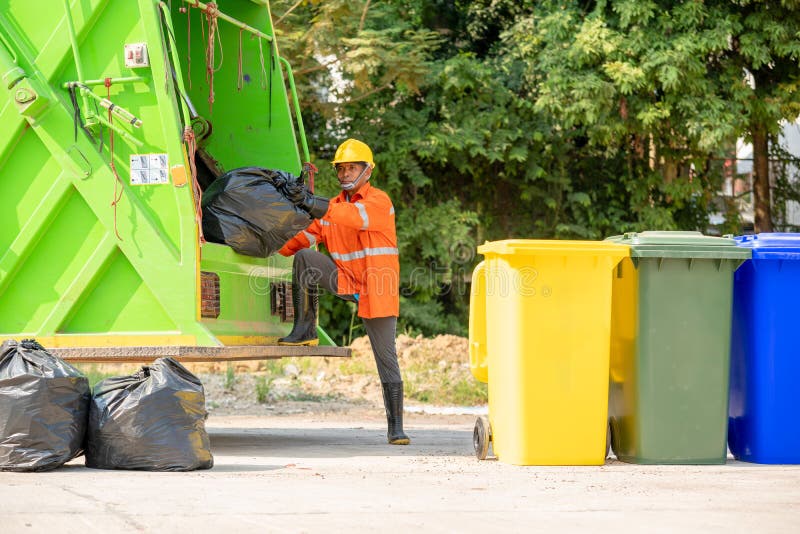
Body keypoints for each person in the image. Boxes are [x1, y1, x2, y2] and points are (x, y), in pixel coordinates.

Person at [277, 138, 409, 445]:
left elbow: (355, 217)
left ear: (367, 170)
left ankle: (396, 428)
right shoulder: (330, 209)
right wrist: (264, 245)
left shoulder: (379, 202)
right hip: (346, 281)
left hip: (377, 290)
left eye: (352, 168)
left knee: (386, 358)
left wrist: (311, 203)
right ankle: (305, 328)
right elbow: (300, 240)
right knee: (304, 257)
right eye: (342, 168)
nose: (346, 173)